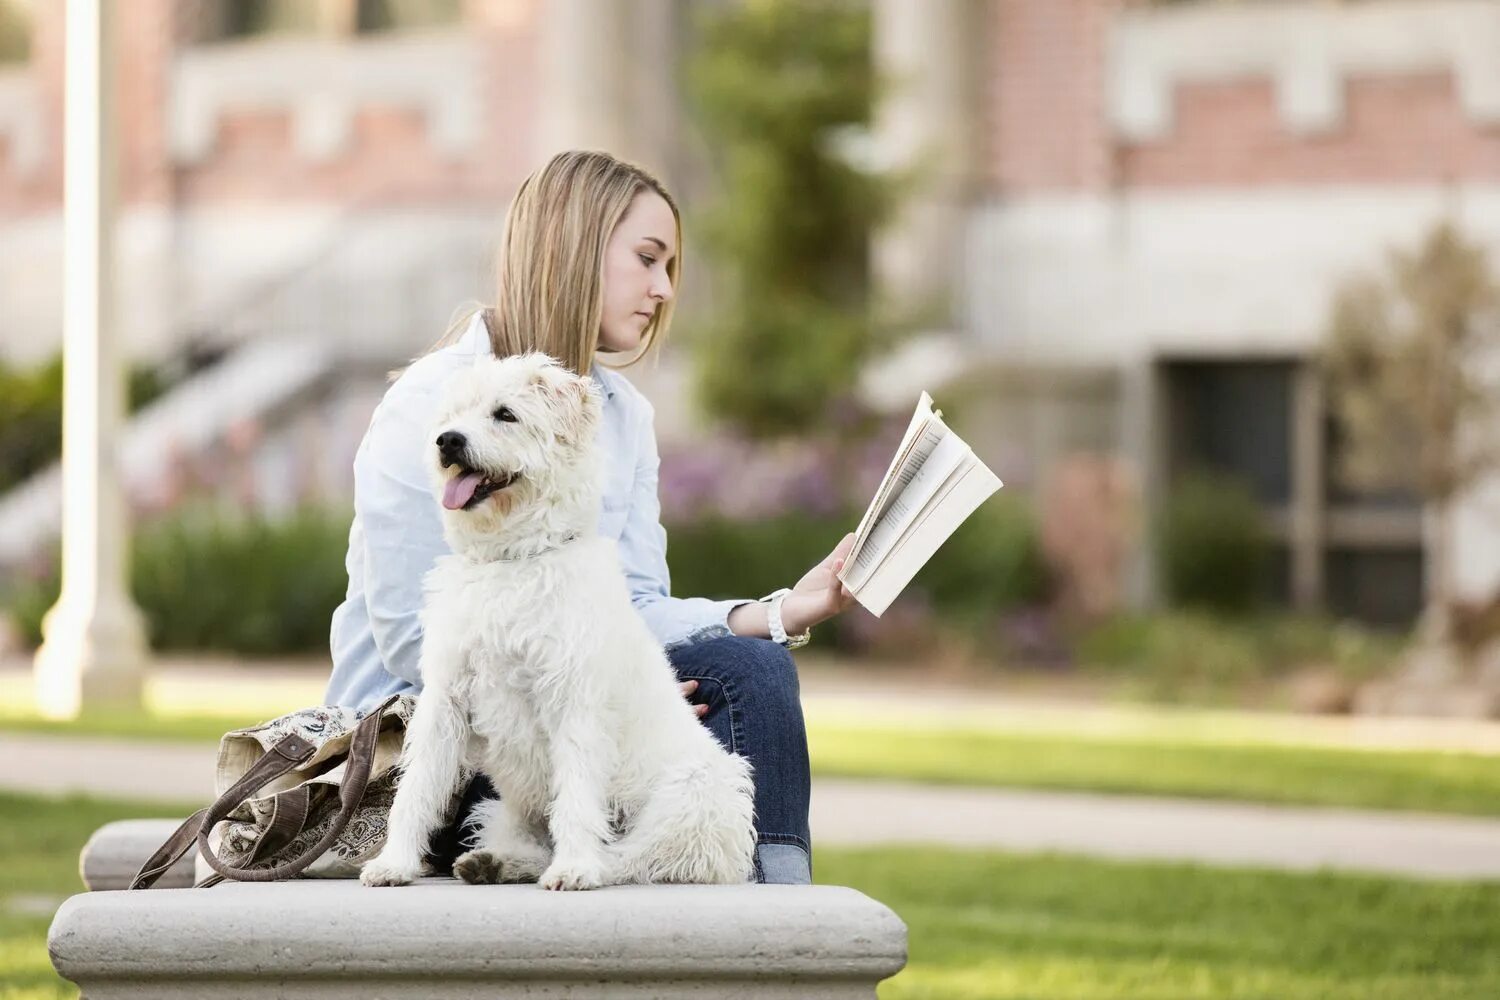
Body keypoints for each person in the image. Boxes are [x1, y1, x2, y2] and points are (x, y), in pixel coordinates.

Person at [325, 149, 858, 885]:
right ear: (574, 248)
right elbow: (405, 636)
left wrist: (779, 611)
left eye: (670, 266)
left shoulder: (622, 416)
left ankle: (783, 920)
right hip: (428, 741)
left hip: (568, 708)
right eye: (647, 259)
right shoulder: (435, 401)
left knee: (753, 672)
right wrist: (590, 697)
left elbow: (632, 605)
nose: (663, 289)